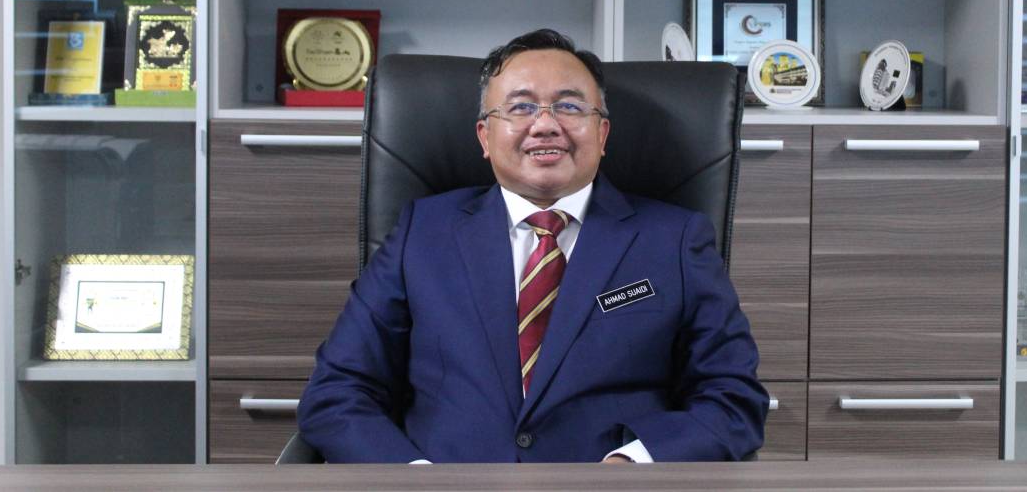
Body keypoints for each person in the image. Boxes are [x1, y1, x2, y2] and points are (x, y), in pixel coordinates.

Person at [297, 29, 767, 463]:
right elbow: (338, 391)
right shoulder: (422, 232)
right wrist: (415, 478)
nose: (545, 125)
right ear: (485, 136)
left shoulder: (675, 240)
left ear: (602, 133)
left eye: (570, 107)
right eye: (521, 108)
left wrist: (635, 464)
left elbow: (733, 399)